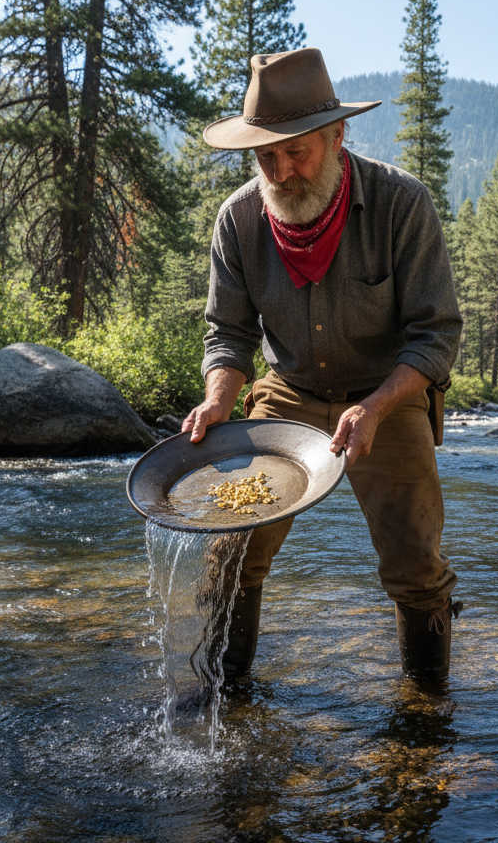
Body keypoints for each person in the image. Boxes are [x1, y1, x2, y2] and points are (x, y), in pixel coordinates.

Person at [181, 47, 463, 683]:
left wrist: (377, 405)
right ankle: (228, 699)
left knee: (415, 564)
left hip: (387, 393)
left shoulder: (401, 204)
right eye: (264, 156)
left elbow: (435, 334)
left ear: (337, 135)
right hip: (288, 391)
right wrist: (220, 397)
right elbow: (227, 333)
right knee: (231, 548)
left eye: (297, 151)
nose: (280, 172)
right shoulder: (238, 219)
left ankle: (426, 719)